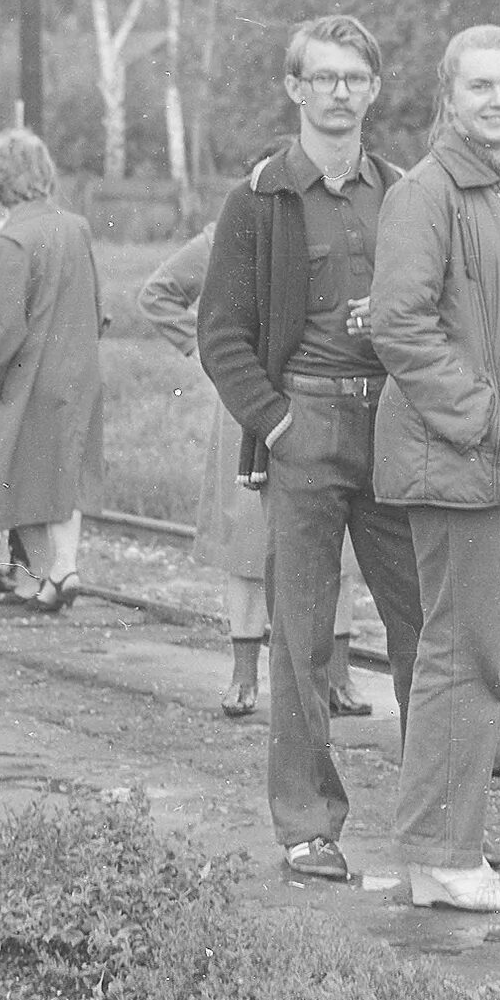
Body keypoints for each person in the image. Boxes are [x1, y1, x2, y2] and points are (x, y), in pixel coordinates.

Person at [198, 15, 427, 883]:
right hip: (307, 426)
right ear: (295, 89)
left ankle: (431, 825)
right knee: (302, 636)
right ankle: (308, 825)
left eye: (354, 78)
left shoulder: (404, 192)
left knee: (420, 630)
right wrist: (279, 421)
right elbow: (220, 334)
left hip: (395, 429)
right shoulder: (259, 198)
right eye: (322, 77)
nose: (339, 92)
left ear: (374, 89)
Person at [367, 25, 500, 913]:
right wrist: (487, 417)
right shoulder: (430, 193)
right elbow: (399, 323)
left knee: (475, 651)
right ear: (448, 99)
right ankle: (444, 853)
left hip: (492, 465)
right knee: (464, 656)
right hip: (459, 460)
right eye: (481, 87)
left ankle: (439, 853)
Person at [138, 226, 372, 721]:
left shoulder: (326, 229)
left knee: (337, 542)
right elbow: (157, 295)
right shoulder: (227, 236)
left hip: (320, 400)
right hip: (246, 404)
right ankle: (243, 676)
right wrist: (212, 353)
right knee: (246, 542)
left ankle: (340, 678)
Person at [0, 129, 105, 610]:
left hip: (27, 379)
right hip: (78, 371)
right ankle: (60, 571)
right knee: (67, 474)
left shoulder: (10, 241)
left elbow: (0, 330)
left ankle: (56, 570)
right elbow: (96, 304)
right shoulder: (76, 227)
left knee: (14, 476)